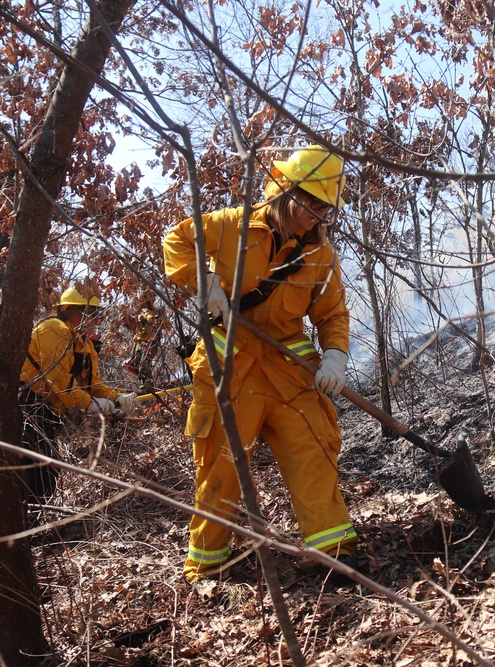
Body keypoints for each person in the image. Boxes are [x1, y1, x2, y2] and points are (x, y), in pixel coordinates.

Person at [162, 145, 358, 585]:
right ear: (287, 190)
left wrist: (335, 355)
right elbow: (175, 240)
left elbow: (331, 314)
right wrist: (205, 280)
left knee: (313, 451)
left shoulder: (321, 255)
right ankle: (209, 565)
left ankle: (334, 553)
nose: (317, 214)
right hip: (232, 370)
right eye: (311, 202)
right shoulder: (232, 226)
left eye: (325, 207)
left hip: (290, 369)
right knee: (222, 468)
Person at [19, 286, 139, 502]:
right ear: (79, 313)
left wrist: (117, 398)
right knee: (41, 470)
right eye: (95, 314)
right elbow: (57, 379)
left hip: (49, 411)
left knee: (45, 468)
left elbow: (94, 384)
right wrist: (91, 404)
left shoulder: (84, 344)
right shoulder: (53, 330)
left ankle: (35, 517)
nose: (98, 320)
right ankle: (31, 520)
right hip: (28, 405)